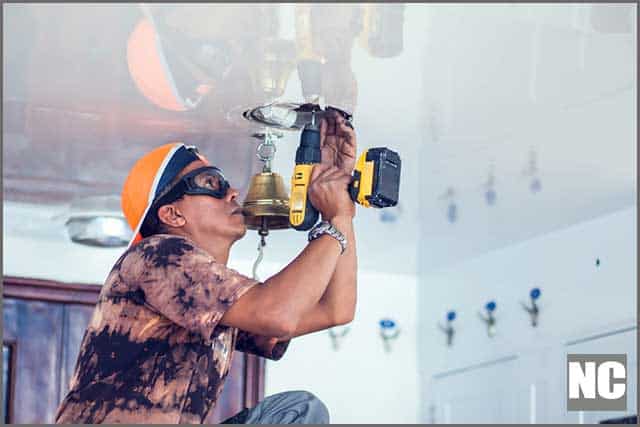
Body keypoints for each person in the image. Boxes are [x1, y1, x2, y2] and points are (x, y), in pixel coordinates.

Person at [54, 111, 358, 424]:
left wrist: (341, 214)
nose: (232, 192)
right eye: (210, 183)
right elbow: (277, 315)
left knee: (298, 412)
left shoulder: (207, 295)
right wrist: (334, 222)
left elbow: (335, 309)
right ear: (172, 215)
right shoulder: (157, 256)